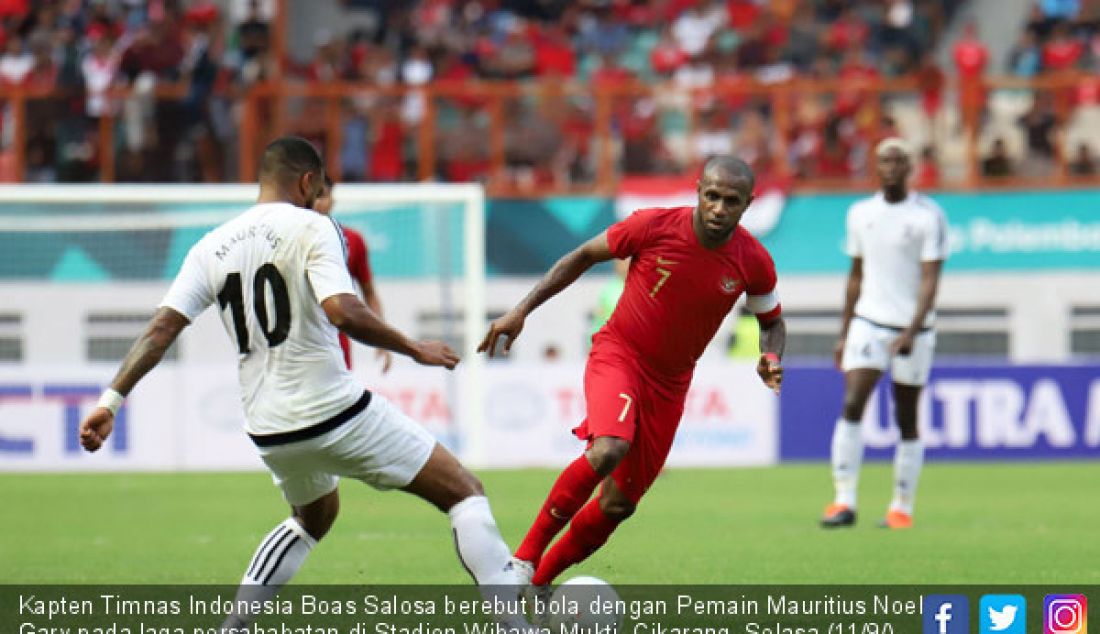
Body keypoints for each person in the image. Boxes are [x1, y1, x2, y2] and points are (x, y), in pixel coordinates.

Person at [78, 137, 523, 628]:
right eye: (319, 187)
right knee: (464, 491)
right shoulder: (315, 226)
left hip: (270, 428)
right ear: (308, 182)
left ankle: (234, 628)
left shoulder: (210, 246)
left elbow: (159, 331)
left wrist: (111, 400)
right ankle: (514, 625)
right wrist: (414, 348)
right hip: (333, 410)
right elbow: (343, 310)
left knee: (313, 518)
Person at [479, 156, 786, 591]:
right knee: (609, 448)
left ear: (747, 204)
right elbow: (582, 255)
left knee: (619, 504)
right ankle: (524, 560)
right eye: (711, 196)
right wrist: (521, 310)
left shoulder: (753, 261)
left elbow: (772, 321)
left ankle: (540, 586)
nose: (718, 208)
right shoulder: (654, 225)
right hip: (620, 354)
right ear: (698, 190)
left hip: (671, 384)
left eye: (730, 201)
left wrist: (770, 358)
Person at [821, 137, 948, 531]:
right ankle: (843, 500)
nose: (890, 167)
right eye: (883, 161)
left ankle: (901, 506)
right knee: (853, 402)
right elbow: (855, 275)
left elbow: (930, 281)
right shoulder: (860, 213)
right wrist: (844, 333)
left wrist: (912, 329)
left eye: (897, 161)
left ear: (909, 167)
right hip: (868, 323)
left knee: (906, 417)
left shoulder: (928, 216)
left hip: (914, 330)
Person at [313, 175, 393, 372]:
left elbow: (369, 293)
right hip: (297, 345)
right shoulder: (289, 241)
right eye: (312, 196)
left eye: (322, 196)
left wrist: (382, 338)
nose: (316, 203)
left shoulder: (353, 240)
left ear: (333, 200)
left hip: (337, 344)